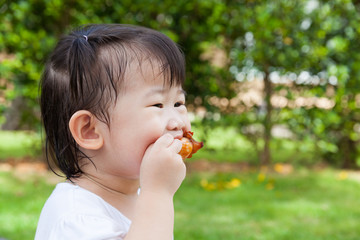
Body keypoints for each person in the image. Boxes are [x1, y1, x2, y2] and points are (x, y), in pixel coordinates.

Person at [35, 24, 190, 240]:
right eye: (157, 105)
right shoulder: (75, 219)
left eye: (179, 102)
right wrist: (158, 194)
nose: (177, 122)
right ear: (90, 130)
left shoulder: (137, 196)